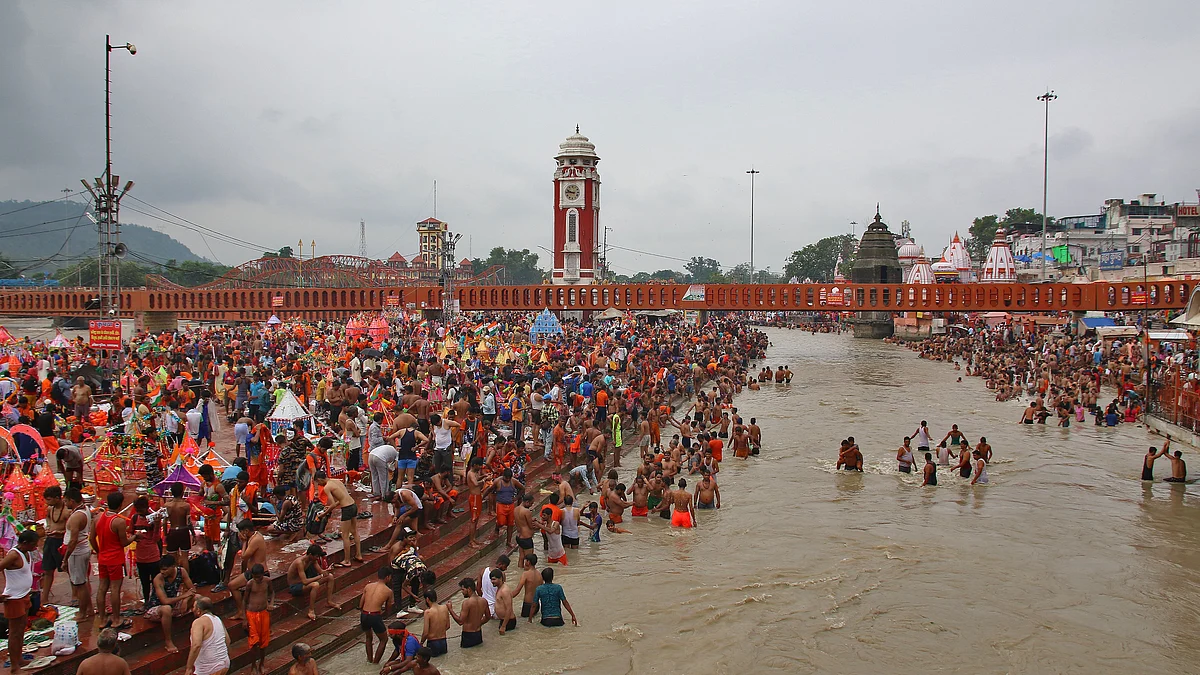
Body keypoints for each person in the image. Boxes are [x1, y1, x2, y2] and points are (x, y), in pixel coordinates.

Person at [91, 490, 134, 630]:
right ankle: (116, 619)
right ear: (121, 504)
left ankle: (102, 619)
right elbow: (124, 543)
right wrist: (135, 537)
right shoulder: (119, 521)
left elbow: (92, 538)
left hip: (102, 558)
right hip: (115, 559)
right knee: (115, 589)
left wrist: (99, 551)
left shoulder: (97, 518)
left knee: (102, 588)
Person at [0, 530, 38, 674]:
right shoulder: (13, 555)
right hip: (14, 598)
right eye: (33, 545)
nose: (36, 547)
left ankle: (19, 658)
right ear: (24, 543)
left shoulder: (26, 553)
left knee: (22, 629)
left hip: (24, 595)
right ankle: (14, 666)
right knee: (14, 633)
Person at [145, 555, 196, 653]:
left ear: (173, 566)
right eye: (161, 570)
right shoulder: (158, 579)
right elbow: (165, 601)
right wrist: (183, 597)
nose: (162, 572)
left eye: (165, 569)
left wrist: (185, 600)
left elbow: (192, 590)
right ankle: (168, 641)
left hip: (173, 604)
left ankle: (199, 630)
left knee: (199, 599)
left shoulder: (181, 571)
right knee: (166, 608)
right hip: (156, 608)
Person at [61, 487, 94, 622]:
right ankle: (89, 610)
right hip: (82, 549)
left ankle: (82, 613)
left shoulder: (77, 516)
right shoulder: (84, 510)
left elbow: (73, 540)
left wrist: (65, 558)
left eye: (66, 501)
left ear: (72, 501)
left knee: (80, 584)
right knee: (82, 582)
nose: (65, 503)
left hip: (77, 552)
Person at [317, 471, 363, 565]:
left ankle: (347, 560)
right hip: (353, 505)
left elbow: (333, 504)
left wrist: (323, 514)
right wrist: (329, 507)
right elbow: (342, 498)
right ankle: (359, 555)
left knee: (345, 535)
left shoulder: (327, 487)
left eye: (318, 482)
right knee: (354, 532)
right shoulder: (336, 481)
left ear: (319, 479)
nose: (319, 484)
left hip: (347, 509)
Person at [288, 543, 341, 620]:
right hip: (295, 586)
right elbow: (305, 581)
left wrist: (327, 571)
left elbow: (321, 572)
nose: (317, 558)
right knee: (315, 585)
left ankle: (329, 601)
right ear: (310, 554)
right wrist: (320, 576)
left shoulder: (312, 560)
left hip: (305, 582)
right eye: (316, 556)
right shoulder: (299, 563)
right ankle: (311, 610)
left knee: (330, 577)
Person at [242, 563, 274, 675]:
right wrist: (244, 619)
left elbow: (272, 593)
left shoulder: (267, 581)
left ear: (263, 575)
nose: (257, 579)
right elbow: (244, 601)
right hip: (251, 614)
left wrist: (271, 603)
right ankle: (253, 666)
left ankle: (262, 663)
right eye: (255, 577)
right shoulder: (250, 584)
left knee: (264, 642)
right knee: (253, 642)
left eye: (259, 577)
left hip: (264, 613)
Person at [185, 596, 231, 675]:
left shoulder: (198, 622)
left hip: (209, 668)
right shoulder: (217, 619)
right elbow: (228, 641)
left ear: (199, 610)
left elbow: (196, 645)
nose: (193, 610)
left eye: (193, 607)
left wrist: (188, 668)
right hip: (224, 663)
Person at [360, 567, 395, 664]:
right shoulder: (388, 591)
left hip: (364, 614)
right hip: (375, 616)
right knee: (384, 639)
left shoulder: (368, 586)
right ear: (387, 577)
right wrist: (384, 617)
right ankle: (375, 662)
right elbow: (388, 608)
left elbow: (360, 604)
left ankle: (369, 659)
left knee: (368, 637)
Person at [41, 486, 67, 604]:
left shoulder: (67, 511)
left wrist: (60, 532)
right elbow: (48, 521)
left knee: (68, 569)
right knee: (47, 571)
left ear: (57, 498)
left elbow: (71, 530)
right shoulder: (49, 509)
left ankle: (75, 597)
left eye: (49, 499)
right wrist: (48, 529)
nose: (47, 502)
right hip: (49, 541)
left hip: (61, 542)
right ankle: (44, 599)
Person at [447, 577, 489, 649]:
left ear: (469, 589)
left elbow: (460, 621)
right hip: (478, 634)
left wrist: (450, 609)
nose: (462, 592)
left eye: (463, 590)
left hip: (468, 635)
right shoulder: (483, 600)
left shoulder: (467, 603)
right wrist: (479, 623)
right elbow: (488, 616)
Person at [165, 481, 194, 556]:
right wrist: (193, 534)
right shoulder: (186, 506)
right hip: (183, 531)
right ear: (182, 492)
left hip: (172, 531)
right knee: (185, 558)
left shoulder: (167, 505)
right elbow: (189, 522)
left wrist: (165, 535)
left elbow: (164, 522)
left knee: (172, 558)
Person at [419, 589, 450, 657]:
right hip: (443, 642)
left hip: (433, 643)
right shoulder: (445, 608)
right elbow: (448, 626)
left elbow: (425, 633)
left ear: (427, 599)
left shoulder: (428, 612)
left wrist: (421, 643)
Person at [479, 554, 509, 619]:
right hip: (496, 608)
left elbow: (478, 589)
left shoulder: (483, 571)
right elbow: (503, 592)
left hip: (484, 606)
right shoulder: (502, 574)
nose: (506, 569)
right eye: (505, 566)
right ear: (501, 564)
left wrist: (484, 599)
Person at [514, 554, 541, 619]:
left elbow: (517, 590)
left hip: (528, 605)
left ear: (528, 562)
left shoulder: (525, 574)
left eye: (525, 561)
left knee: (523, 623)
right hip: (536, 605)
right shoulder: (539, 574)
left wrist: (508, 596)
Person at [492, 568, 517, 635]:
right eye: (491, 579)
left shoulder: (504, 591)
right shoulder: (499, 588)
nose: (492, 581)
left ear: (500, 578)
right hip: (504, 620)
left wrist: (503, 626)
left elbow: (509, 609)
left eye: (494, 579)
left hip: (509, 621)